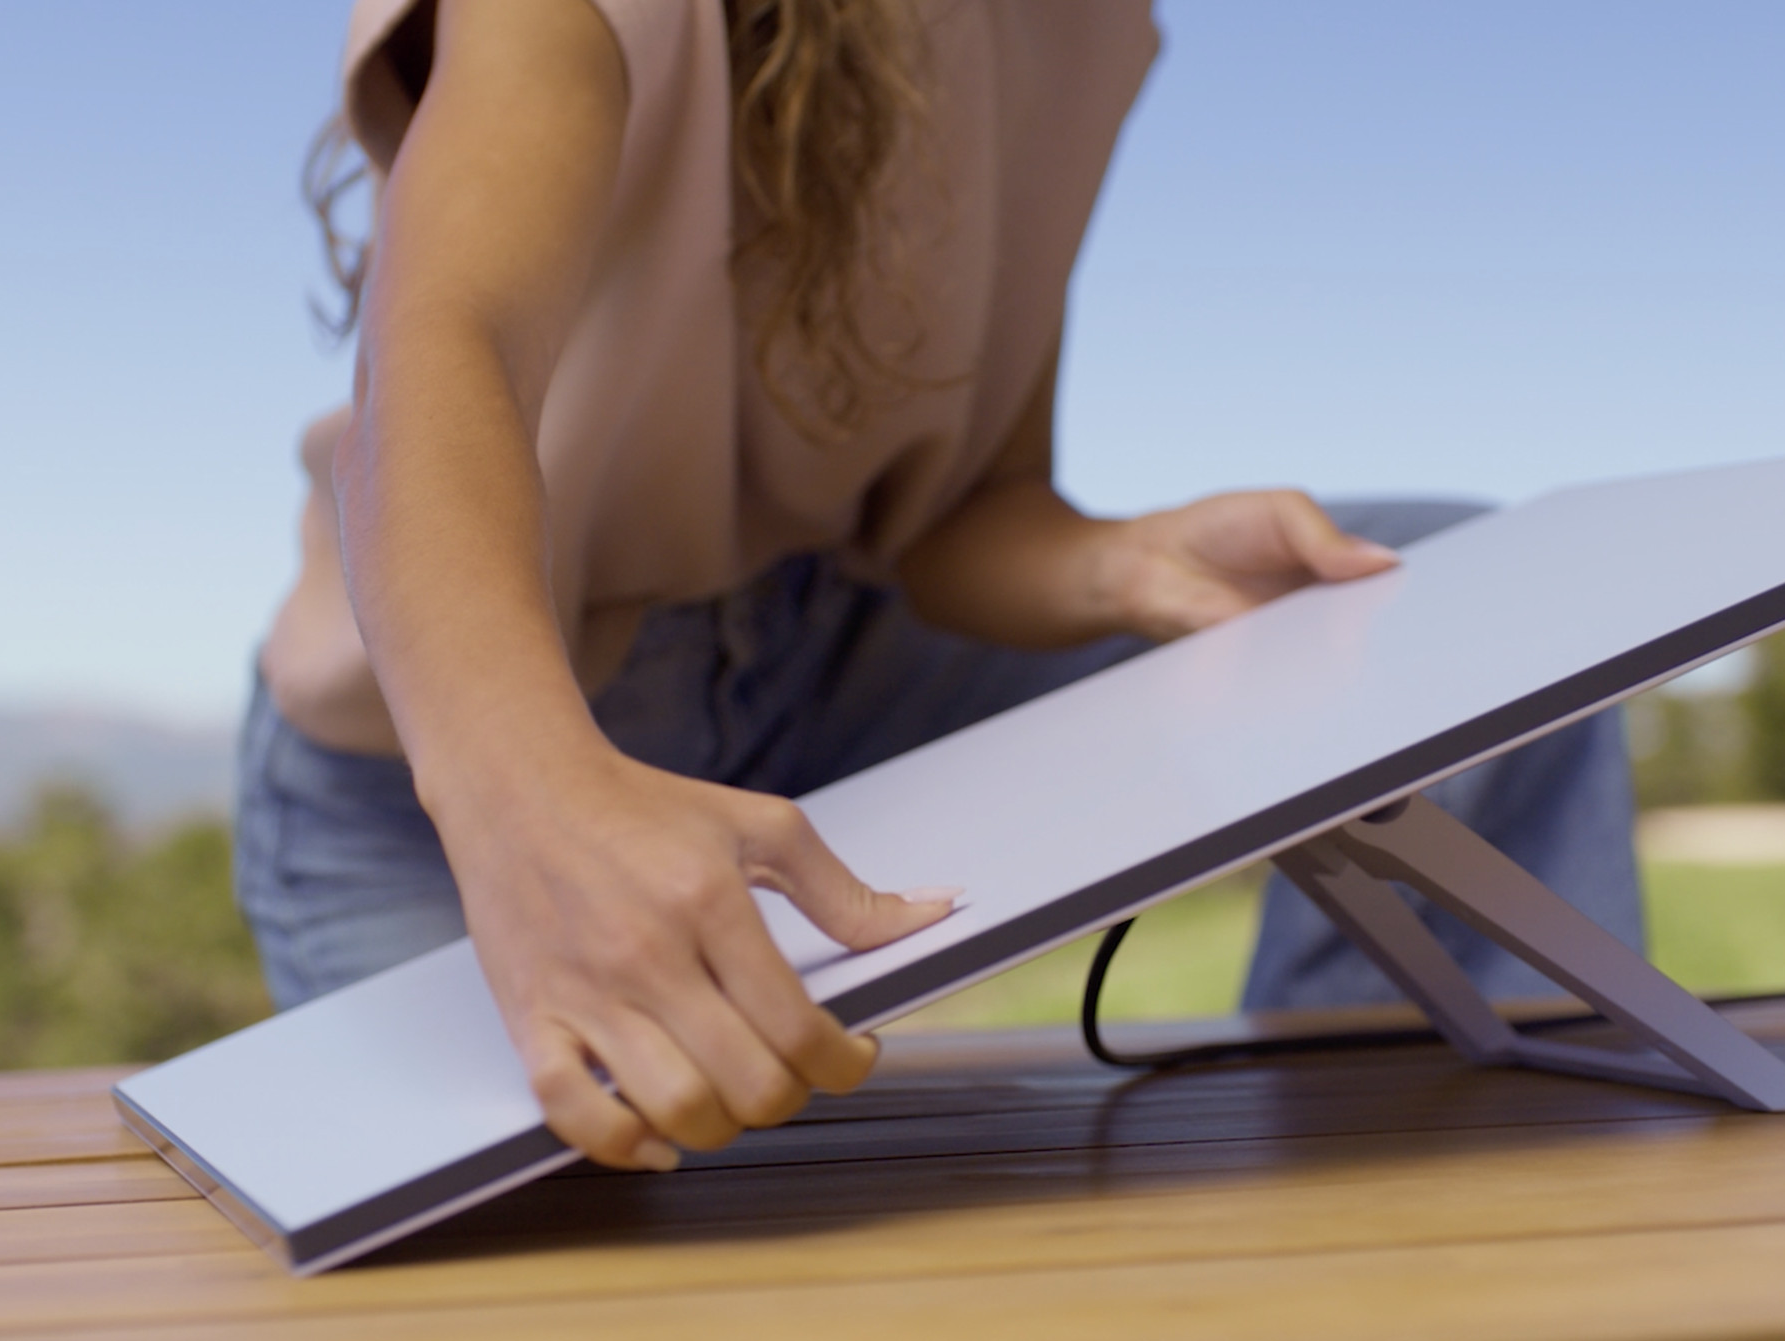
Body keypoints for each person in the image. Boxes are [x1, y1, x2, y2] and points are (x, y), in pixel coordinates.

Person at [239, 0, 1644, 1178]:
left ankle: (1386, 1199)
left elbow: (959, 519)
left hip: (841, 654)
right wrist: (524, 796)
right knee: (568, 1267)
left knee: (1461, 605)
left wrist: (1116, 562)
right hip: (468, 732)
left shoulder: (1081, 26)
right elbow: (435, 360)